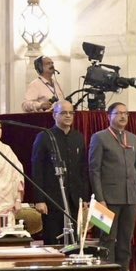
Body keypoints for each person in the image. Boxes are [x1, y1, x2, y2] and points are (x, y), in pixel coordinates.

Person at [87, 102, 136, 271]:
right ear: (108, 116)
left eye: (125, 113)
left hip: (130, 198)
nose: (122, 116)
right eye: (118, 113)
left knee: (126, 239)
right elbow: (94, 170)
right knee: (107, 239)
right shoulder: (99, 138)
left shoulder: (133, 138)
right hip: (107, 199)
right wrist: (99, 199)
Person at [29, 101, 91, 248]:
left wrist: (85, 197)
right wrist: (39, 199)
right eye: (64, 113)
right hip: (52, 199)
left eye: (71, 113)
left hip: (74, 199)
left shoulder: (78, 137)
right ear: (54, 115)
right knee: (53, 239)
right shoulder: (45, 137)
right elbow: (37, 169)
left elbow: (83, 169)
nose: (68, 116)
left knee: (74, 240)